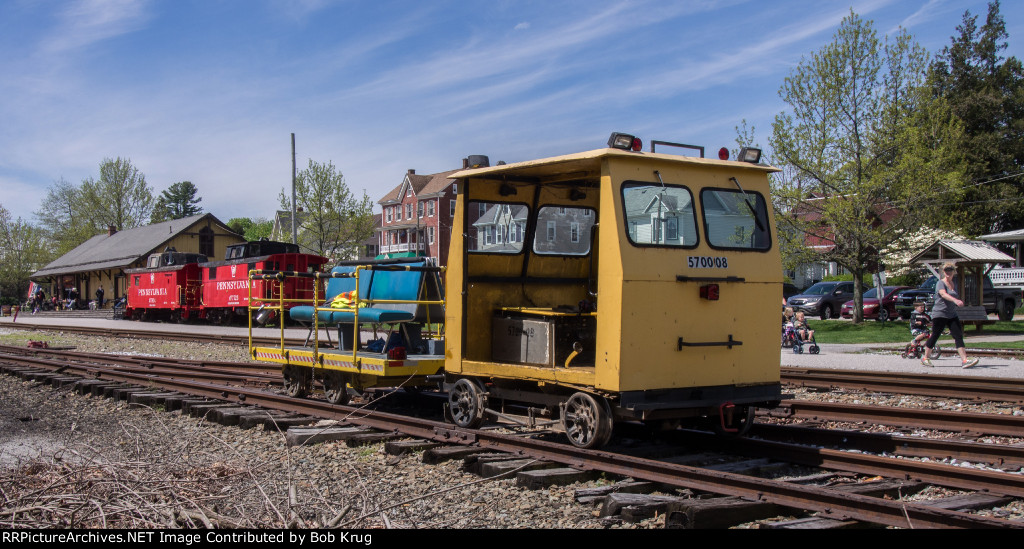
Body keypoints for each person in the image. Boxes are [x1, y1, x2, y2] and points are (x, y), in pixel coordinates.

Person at [922, 263, 978, 369]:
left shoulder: (952, 283)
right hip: (940, 314)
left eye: (950, 270)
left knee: (958, 335)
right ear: (943, 272)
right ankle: (925, 358)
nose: (948, 272)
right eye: (946, 270)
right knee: (935, 335)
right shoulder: (940, 283)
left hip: (951, 314)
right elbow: (943, 294)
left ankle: (965, 360)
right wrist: (955, 300)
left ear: (954, 271)